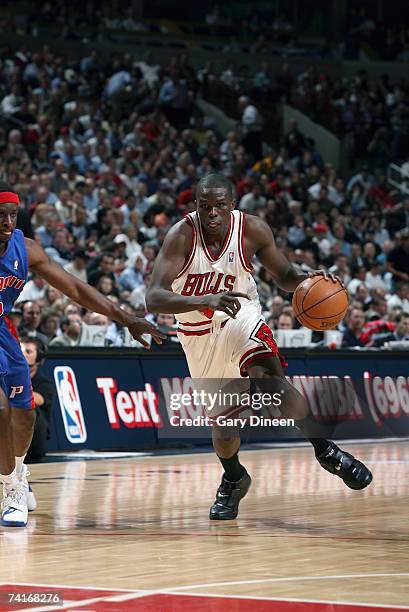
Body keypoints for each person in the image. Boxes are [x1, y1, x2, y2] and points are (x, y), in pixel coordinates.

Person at [146, 173, 372, 520]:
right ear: (196, 206)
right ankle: (234, 478)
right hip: (198, 332)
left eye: (219, 206)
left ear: (232, 204)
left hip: (240, 312)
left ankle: (324, 448)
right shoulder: (182, 236)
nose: (212, 214)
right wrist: (205, 298)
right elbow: (154, 297)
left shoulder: (252, 230)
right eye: (205, 207)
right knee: (223, 430)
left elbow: (284, 276)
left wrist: (312, 278)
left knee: (268, 376)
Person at [0, 181, 164, 527]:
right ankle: (9, 488)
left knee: (24, 413)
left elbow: (75, 288)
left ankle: (17, 474)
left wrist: (126, 318)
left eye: (13, 215)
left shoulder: (25, 249)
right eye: (1, 216)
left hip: (3, 331)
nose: (7, 223)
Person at [20, 337, 55, 462]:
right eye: (20, 351)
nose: (22, 354)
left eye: (28, 352)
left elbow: (35, 399)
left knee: (28, 408)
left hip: (34, 444)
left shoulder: (44, 383)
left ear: (39, 358)